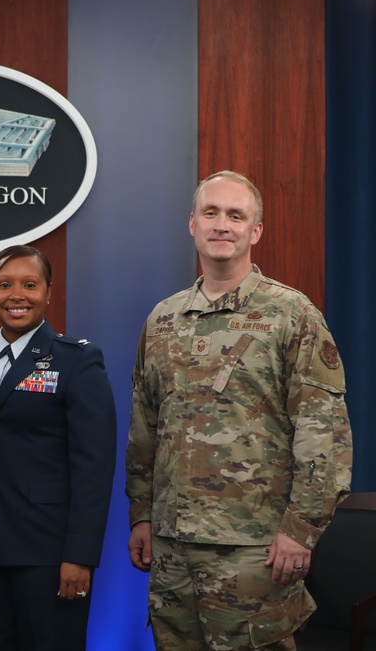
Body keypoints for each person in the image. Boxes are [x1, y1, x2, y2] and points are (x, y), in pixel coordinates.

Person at [126, 170, 353, 650]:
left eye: (236, 215)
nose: (222, 225)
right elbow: (145, 428)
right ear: (192, 224)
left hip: (255, 548)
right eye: (211, 213)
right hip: (171, 549)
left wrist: (300, 531)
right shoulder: (162, 319)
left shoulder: (291, 314)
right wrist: (141, 516)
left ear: (256, 231)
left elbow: (323, 433)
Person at [0, 245, 117, 651]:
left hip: (49, 554)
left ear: (48, 292)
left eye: (29, 284)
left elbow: (94, 465)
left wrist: (81, 554)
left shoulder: (77, 360)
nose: (16, 295)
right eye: (5, 285)